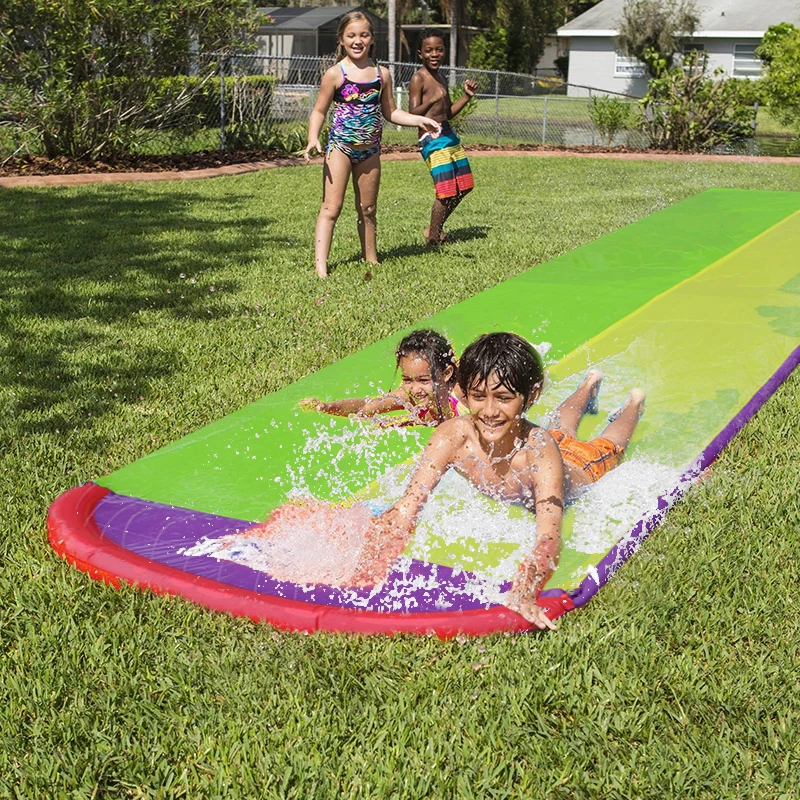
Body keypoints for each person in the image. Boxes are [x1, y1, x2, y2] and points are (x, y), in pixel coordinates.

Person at [350, 332, 645, 631]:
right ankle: (588, 384)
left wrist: (526, 588)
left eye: (503, 398)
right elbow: (407, 507)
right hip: (539, 442)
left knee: (608, 446)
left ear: (531, 395)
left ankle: (634, 403)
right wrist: (367, 569)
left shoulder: (538, 454)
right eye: (479, 397)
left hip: (578, 466)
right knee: (560, 425)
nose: (489, 412)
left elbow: (549, 536)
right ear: (464, 392)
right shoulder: (453, 437)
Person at [304, 11, 442, 278]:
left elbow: (391, 112)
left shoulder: (382, 75)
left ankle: (371, 258)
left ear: (372, 39)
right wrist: (313, 137)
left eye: (363, 35)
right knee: (331, 208)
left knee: (368, 209)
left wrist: (419, 120)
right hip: (340, 149)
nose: (358, 41)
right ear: (342, 40)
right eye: (351, 35)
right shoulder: (335, 74)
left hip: (370, 151)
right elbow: (319, 110)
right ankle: (321, 265)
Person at [300, 329, 468, 426]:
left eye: (424, 380)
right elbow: (366, 407)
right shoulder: (407, 396)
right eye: (408, 380)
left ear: (447, 374)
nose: (415, 389)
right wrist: (328, 406)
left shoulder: (463, 392)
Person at [408, 30, 477, 247]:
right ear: (420, 53)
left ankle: (434, 229)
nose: (434, 54)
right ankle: (432, 239)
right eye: (429, 50)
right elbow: (412, 113)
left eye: (439, 49)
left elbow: (447, 114)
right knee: (446, 189)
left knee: (464, 185)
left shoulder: (441, 77)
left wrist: (466, 96)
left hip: (447, 132)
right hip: (430, 136)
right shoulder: (418, 78)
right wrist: (432, 100)